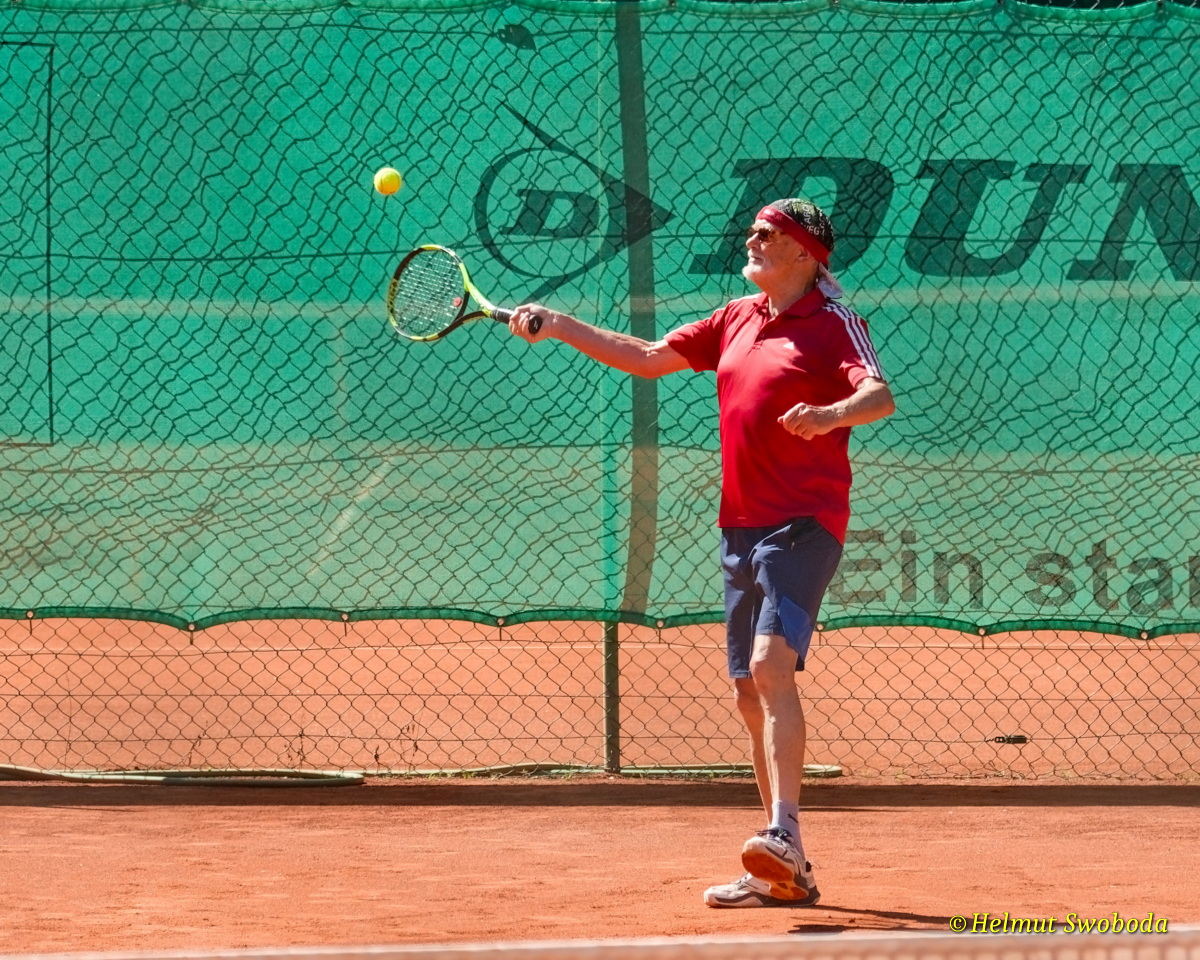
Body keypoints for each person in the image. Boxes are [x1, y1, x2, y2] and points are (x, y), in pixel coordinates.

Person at [506, 198, 895, 908]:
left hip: (805, 521)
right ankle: (784, 867)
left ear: (804, 253)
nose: (752, 239)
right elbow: (649, 359)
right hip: (740, 525)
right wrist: (560, 324)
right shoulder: (735, 317)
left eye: (768, 233)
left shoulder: (834, 322)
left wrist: (829, 415)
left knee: (770, 666)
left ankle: (781, 832)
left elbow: (878, 395)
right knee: (748, 692)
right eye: (754, 230)